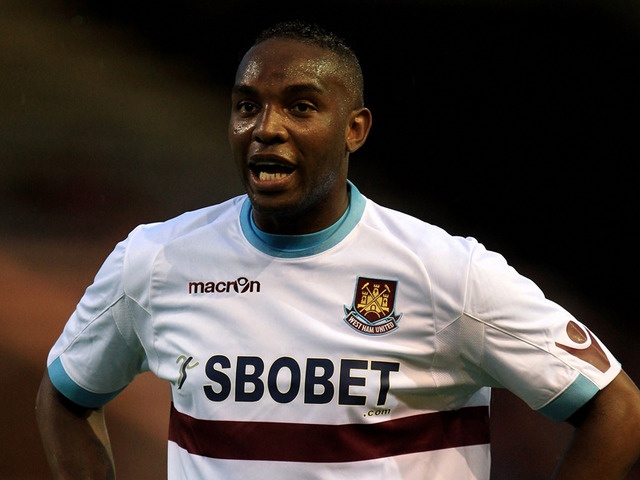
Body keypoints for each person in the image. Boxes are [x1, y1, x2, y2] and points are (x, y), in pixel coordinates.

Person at [36, 20, 640, 480]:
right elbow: (64, 399)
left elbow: (618, 411)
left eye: (300, 107)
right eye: (247, 106)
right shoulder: (157, 259)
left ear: (355, 128)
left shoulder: (445, 272)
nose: (266, 128)